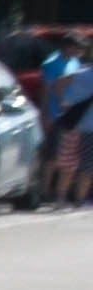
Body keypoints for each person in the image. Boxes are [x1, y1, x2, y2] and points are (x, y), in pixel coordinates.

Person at [54, 51, 93, 207]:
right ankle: (79, 199)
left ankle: (60, 197)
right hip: (90, 128)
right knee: (88, 166)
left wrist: (63, 100)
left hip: (73, 124)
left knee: (67, 164)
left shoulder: (81, 72)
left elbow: (59, 82)